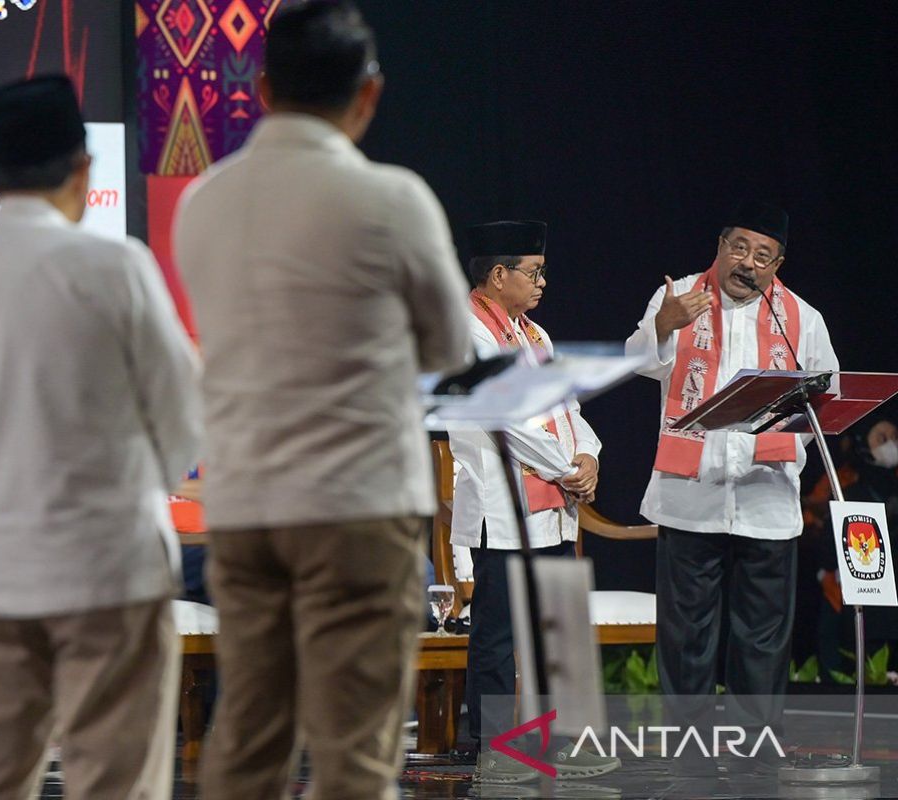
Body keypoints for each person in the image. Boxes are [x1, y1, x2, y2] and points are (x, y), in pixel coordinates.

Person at [174, 3, 473, 796]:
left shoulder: (204, 200)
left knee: (251, 730)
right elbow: (449, 350)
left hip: (246, 507)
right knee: (357, 744)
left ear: (263, 86)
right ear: (368, 93)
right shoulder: (392, 199)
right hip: (358, 502)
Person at [0, 75, 200, 800]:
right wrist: (144, 485)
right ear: (85, 169)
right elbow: (180, 414)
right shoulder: (115, 265)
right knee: (117, 777)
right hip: (108, 562)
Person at [626, 200, 839, 775]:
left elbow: (828, 399)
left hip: (766, 499)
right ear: (720, 246)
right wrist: (664, 325)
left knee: (762, 640)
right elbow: (637, 360)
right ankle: (687, 759)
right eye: (739, 249)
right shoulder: (679, 296)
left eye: (762, 256)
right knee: (686, 636)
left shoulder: (803, 318)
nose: (747, 263)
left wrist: (790, 441)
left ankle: (756, 759)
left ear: (778, 263)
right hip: (689, 496)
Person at [448, 221, 618, 783]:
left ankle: (560, 743)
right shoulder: (467, 331)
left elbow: (568, 409)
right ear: (498, 275)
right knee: (497, 634)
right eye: (533, 272)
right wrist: (565, 469)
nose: (543, 282)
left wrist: (589, 457)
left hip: (553, 505)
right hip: (504, 506)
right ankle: (495, 749)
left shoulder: (535, 335)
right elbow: (505, 416)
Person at [806, 413, 898, 681]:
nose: (891, 444)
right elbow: (828, 548)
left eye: (894, 437)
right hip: (860, 606)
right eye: (882, 438)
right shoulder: (848, 492)